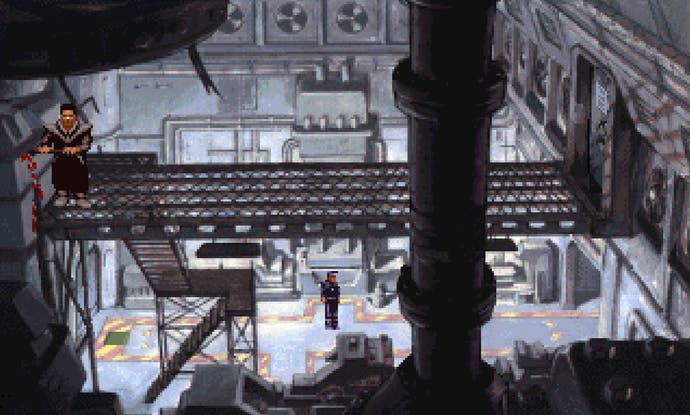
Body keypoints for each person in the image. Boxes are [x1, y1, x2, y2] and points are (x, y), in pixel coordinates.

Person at [36, 103, 92, 208]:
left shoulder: (83, 129)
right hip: (60, 159)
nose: (67, 118)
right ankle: (63, 196)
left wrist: (76, 149)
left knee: (79, 176)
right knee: (60, 176)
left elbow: (86, 145)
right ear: (61, 116)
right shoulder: (53, 129)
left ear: (74, 117)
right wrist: (44, 147)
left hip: (77, 159)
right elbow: (45, 142)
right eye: (65, 116)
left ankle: (80, 198)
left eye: (70, 116)